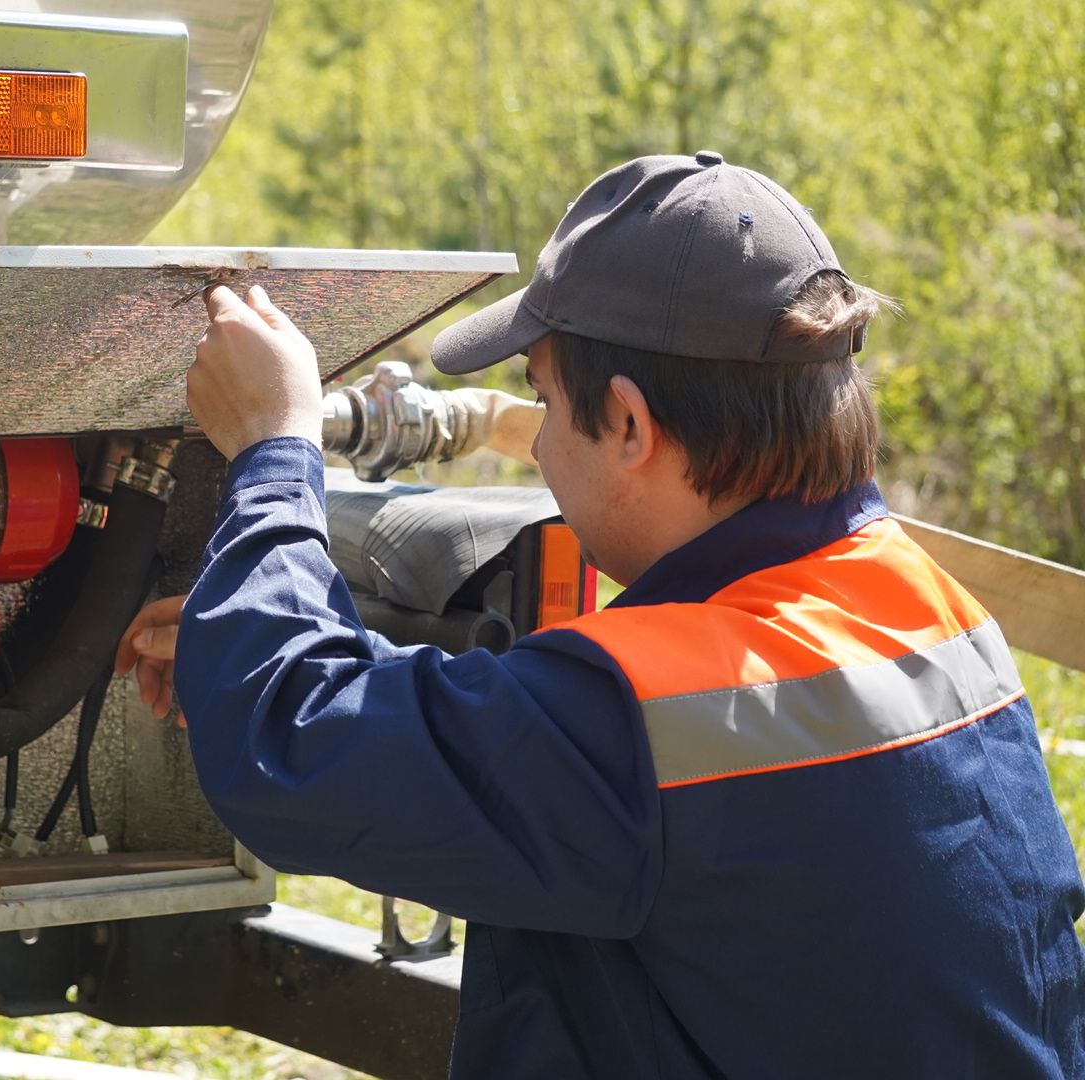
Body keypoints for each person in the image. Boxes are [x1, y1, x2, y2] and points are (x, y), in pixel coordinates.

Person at [113, 152, 1085, 1077]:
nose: (535, 448)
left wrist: (275, 447)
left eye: (539, 402)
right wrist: (256, 649)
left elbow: (291, 747)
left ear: (626, 424)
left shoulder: (642, 722)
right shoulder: (926, 607)